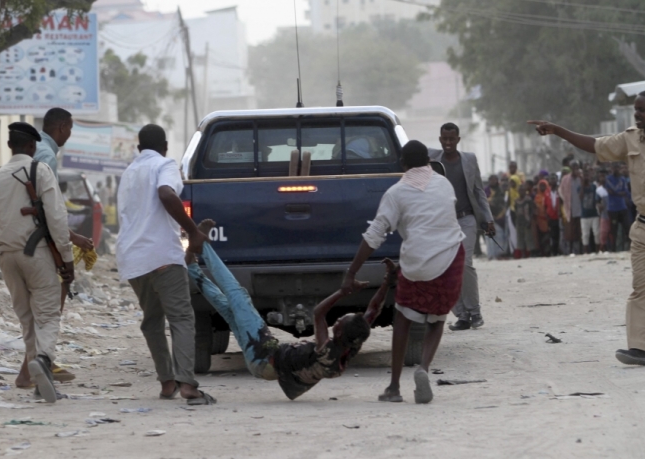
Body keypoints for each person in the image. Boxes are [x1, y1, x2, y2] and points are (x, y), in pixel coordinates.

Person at [529, 89, 645, 365]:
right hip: (644, 227)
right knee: (641, 288)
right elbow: (595, 145)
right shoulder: (629, 138)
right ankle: (639, 349)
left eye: (642, 110)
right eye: (635, 109)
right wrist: (558, 131)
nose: (636, 114)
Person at [186, 220, 389, 400]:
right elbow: (373, 312)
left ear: (339, 332)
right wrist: (388, 282)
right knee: (228, 309)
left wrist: (343, 292)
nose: (337, 321)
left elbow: (318, 313)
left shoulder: (327, 350)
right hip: (262, 363)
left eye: (339, 322)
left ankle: (202, 245)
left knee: (238, 296)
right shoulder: (350, 345)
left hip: (263, 354)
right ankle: (192, 267)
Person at [343, 140, 465, 404]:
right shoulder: (444, 184)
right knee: (438, 317)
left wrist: (351, 272)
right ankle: (423, 368)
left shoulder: (395, 193)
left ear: (403, 164)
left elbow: (374, 236)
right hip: (450, 257)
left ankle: (395, 386)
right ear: (429, 161)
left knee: (403, 317)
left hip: (416, 261)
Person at [0, 122, 74, 403]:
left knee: (26, 319)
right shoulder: (39, 170)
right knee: (48, 313)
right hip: (37, 253)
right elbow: (56, 217)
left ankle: (40, 380)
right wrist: (67, 259)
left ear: (9, 147)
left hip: (7, 256)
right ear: (32, 147)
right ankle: (42, 361)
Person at [116, 124, 212, 404]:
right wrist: (193, 231)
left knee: (152, 321)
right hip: (161, 257)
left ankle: (167, 382)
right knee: (182, 318)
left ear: (138, 148)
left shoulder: (129, 172)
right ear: (166, 146)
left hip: (133, 260)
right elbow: (167, 194)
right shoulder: (165, 164)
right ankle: (188, 386)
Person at [13, 108, 92, 387]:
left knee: (36, 311)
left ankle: (34, 366)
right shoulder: (46, 156)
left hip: (18, 243)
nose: (69, 134)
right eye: (70, 129)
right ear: (61, 126)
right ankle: (33, 368)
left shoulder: (38, 152)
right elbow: (49, 211)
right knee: (49, 309)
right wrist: (69, 242)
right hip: (40, 244)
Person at [428, 123, 494, 331]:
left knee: (465, 264)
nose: (448, 143)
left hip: (466, 219)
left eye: (451, 139)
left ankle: (475, 312)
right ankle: (462, 315)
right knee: (447, 267)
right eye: (444, 139)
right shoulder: (431, 159)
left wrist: (487, 218)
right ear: (440, 139)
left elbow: (478, 191)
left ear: (458, 139)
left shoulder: (470, 159)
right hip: (443, 221)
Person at [606, 163, 631, 252]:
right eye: (615, 167)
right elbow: (611, 190)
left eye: (618, 167)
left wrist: (618, 193)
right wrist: (619, 193)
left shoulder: (623, 179)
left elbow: (625, 192)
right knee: (614, 230)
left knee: (627, 227)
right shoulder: (608, 179)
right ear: (612, 168)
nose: (617, 169)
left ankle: (630, 248)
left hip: (622, 206)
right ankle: (613, 249)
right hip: (612, 208)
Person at [560, 161, 582, 254]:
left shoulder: (581, 178)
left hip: (580, 207)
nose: (575, 170)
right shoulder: (565, 179)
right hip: (570, 207)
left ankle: (580, 250)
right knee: (570, 231)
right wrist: (565, 200)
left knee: (579, 230)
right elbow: (561, 190)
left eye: (577, 168)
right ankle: (570, 250)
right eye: (573, 168)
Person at [485, 175, 507, 260]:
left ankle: (500, 254)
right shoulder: (486, 190)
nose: (493, 181)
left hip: (500, 216)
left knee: (500, 235)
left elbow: (502, 202)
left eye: (495, 180)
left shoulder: (500, 190)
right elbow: (484, 202)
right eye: (492, 180)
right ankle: (491, 255)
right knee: (490, 236)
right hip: (489, 216)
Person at [580, 171, 600, 254]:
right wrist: (582, 185)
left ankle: (598, 251)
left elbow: (596, 199)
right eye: (584, 176)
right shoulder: (580, 187)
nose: (586, 178)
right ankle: (585, 252)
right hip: (584, 215)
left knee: (596, 232)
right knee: (585, 234)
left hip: (594, 213)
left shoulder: (594, 186)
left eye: (587, 176)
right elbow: (580, 197)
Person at [514, 184, 534, 258]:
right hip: (519, 222)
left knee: (528, 238)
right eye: (520, 190)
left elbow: (532, 210)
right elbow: (515, 211)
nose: (521, 192)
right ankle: (522, 254)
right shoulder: (516, 201)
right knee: (520, 238)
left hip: (527, 221)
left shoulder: (528, 200)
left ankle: (530, 254)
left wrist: (530, 220)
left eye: (523, 190)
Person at [533, 179, 552, 256]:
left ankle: (548, 252)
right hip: (539, 221)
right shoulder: (537, 197)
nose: (542, 187)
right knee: (540, 238)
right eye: (541, 186)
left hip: (548, 220)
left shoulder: (549, 195)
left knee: (547, 238)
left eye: (544, 185)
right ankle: (541, 252)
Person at [547, 173, 562, 255]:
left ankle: (560, 250)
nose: (553, 180)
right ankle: (554, 251)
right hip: (551, 217)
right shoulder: (547, 191)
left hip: (559, 216)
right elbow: (545, 205)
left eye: (554, 178)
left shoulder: (559, 190)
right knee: (553, 235)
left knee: (560, 234)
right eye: (551, 179)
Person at [596, 170, 610, 252]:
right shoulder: (599, 190)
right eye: (601, 176)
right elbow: (597, 201)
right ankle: (603, 249)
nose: (602, 178)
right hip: (604, 214)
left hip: (613, 213)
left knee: (611, 233)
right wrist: (599, 205)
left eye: (604, 176)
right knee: (603, 232)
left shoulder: (612, 188)